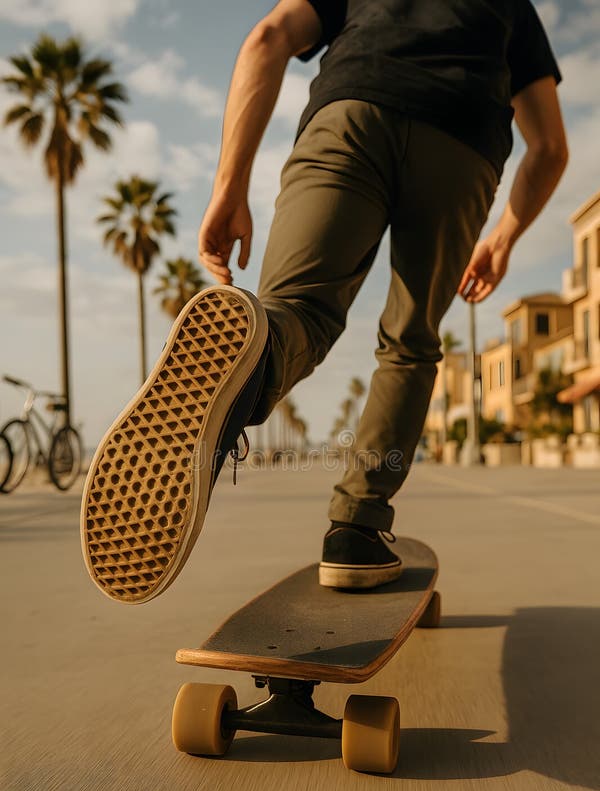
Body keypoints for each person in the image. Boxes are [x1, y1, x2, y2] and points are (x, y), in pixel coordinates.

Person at [81, 0, 567, 603]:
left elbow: (268, 38)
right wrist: (504, 237)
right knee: (408, 343)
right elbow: (549, 147)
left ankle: (252, 366)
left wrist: (229, 186)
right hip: (461, 136)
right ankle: (356, 528)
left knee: (295, 311)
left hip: (352, 108)